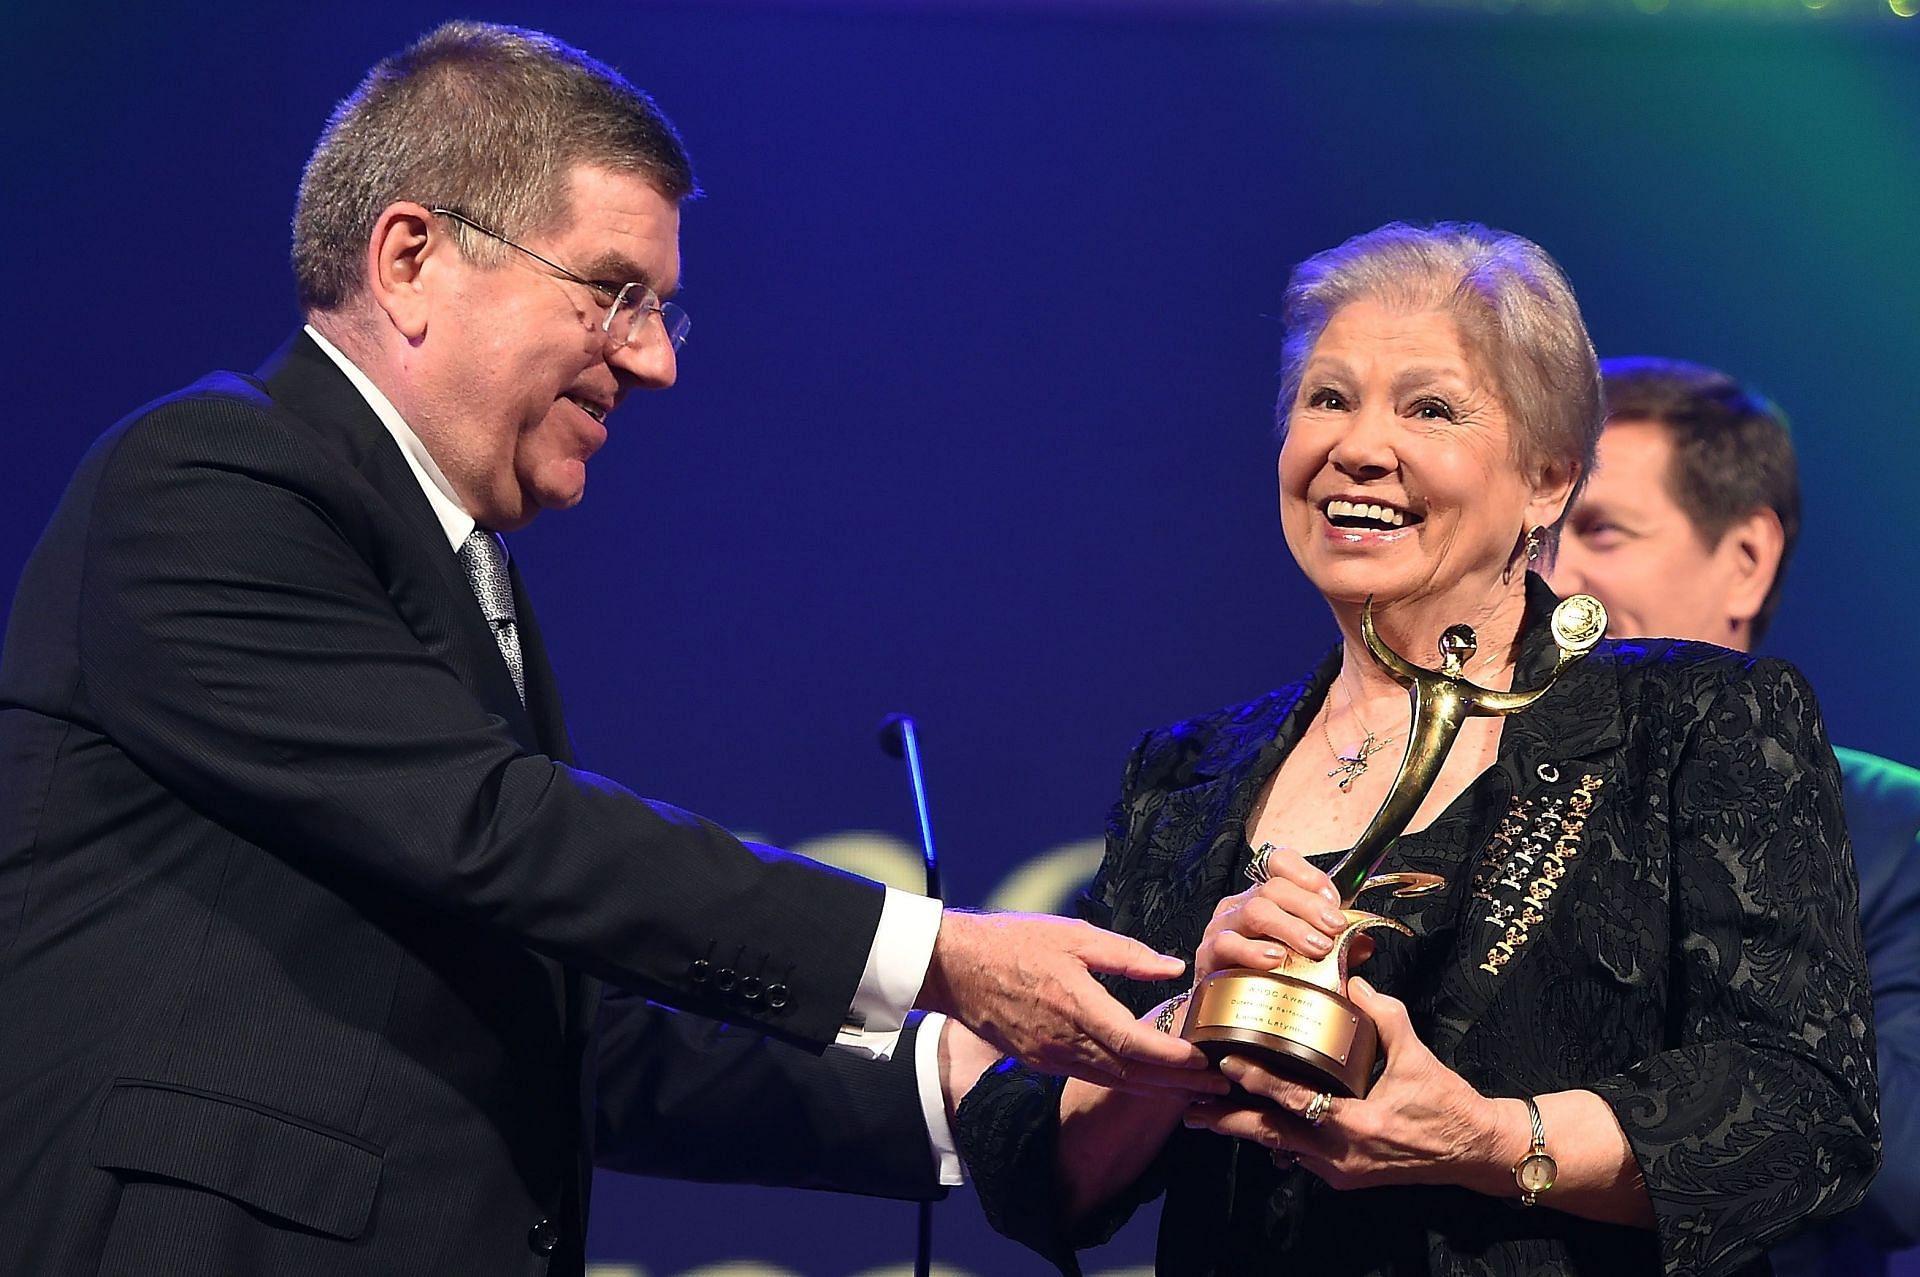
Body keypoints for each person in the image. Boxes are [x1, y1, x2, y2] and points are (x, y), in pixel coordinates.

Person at [0, 22, 1219, 1277]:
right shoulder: (210, 477)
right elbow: (499, 827)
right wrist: (936, 954)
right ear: (412, 258)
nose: (653, 357)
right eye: (615, 290)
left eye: (662, 308)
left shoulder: (469, 577)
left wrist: (947, 1077)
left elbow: (559, 1032)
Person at [942, 223, 1880, 1276]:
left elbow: (1806, 1110)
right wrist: (1181, 1019)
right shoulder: (1187, 772)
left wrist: (1492, 1141)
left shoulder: (1698, 722)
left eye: (1428, 407)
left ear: (1547, 479)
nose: (1358, 446)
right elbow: (1038, 1178)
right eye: (1327, 398)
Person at [1547, 356, 1920, 1277]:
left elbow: (1904, 1165)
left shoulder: (1888, 829)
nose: (1553, 581)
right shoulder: (1467, 803)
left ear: (1746, 561)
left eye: (1601, 530)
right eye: (1539, 538)